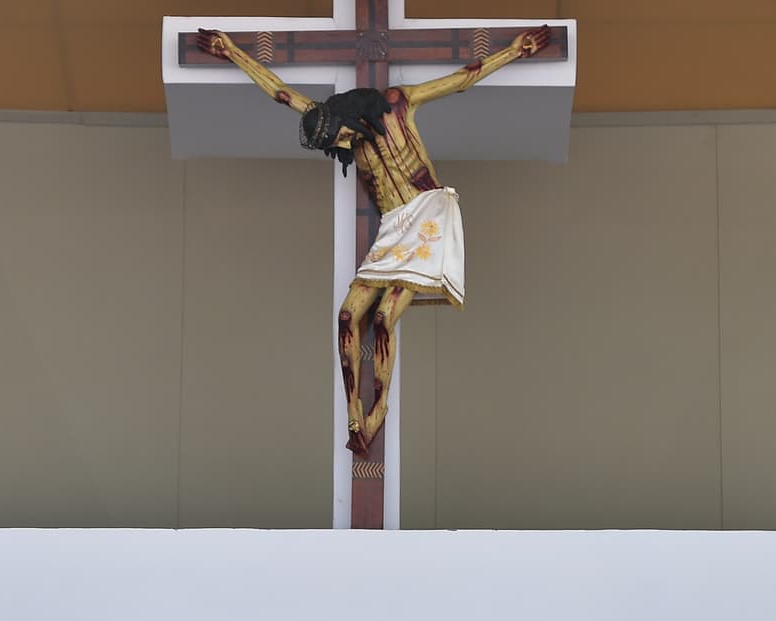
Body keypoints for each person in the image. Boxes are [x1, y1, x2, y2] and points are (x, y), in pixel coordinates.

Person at [196, 25, 551, 454]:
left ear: (351, 119)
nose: (343, 144)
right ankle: (353, 409)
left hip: (428, 216)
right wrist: (232, 51)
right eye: (337, 142)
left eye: (342, 135)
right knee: (348, 316)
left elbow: (462, 79)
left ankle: (379, 408)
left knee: (383, 318)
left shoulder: (398, 105)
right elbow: (282, 93)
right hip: (393, 226)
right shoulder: (331, 121)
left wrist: (514, 52)